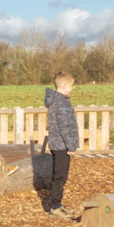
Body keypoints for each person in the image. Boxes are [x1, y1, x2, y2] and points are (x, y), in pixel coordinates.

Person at [43, 72, 79, 216]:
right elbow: (65, 127)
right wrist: (70, 146)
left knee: (59, 175)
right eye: (71, 86)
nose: (72, 89)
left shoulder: (56, 101)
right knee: (60, 176)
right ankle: (55, 206)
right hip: (62, 145)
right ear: (64, 86)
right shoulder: (62, 103)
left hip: (57, 144)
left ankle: (57, 204)